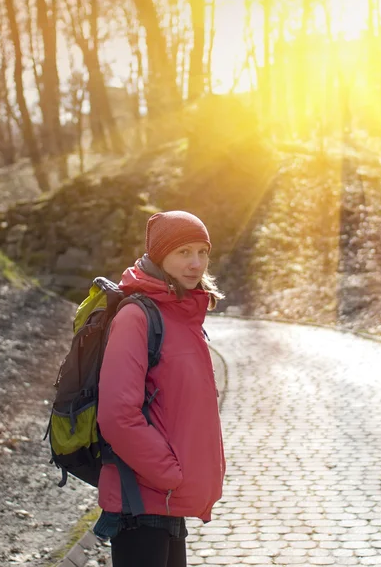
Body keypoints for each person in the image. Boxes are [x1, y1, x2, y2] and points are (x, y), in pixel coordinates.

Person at [94, 210, 226, 567]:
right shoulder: (137, 317)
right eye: (184, 252)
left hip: (166, 500)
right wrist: (169, 473)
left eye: (202, 251)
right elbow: (117, 415)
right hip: (141, 500)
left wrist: (175, 480)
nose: (196, 262)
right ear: (160, 256)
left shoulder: (183, 314)